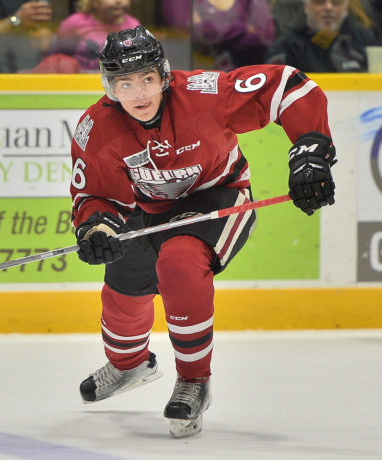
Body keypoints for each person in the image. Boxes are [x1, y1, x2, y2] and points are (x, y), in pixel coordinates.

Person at [70, 25, 336, 438]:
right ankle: (130, 365)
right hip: (149, 209)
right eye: (125, 82)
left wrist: (310, 152)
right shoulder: (97, 127)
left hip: (219, 196)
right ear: (109, 86)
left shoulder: (205, 93)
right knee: (123, 285)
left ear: (164, 75)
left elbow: (289, 86)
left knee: (179, 262)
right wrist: (96, 225)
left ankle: (194, 379)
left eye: (147, 79)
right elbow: (95, 194)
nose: (138, 93)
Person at [160, 0, 275, 71]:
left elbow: (265, 36)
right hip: (197, 77)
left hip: (246, 79)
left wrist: (213, 31)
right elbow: (192, 31)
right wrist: (243, 28)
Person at [266, 0, 378, 72]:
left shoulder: (364, 39)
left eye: (336, 2)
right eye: (319, 2)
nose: (328, 7)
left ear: (346, 8)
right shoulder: (286, 47)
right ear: (306, 7)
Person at [52, 0, 141, 72]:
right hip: (80, 78)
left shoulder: (133, 25)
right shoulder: (75, 22)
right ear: (94, 3)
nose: (118, 1)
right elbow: (59, 57)